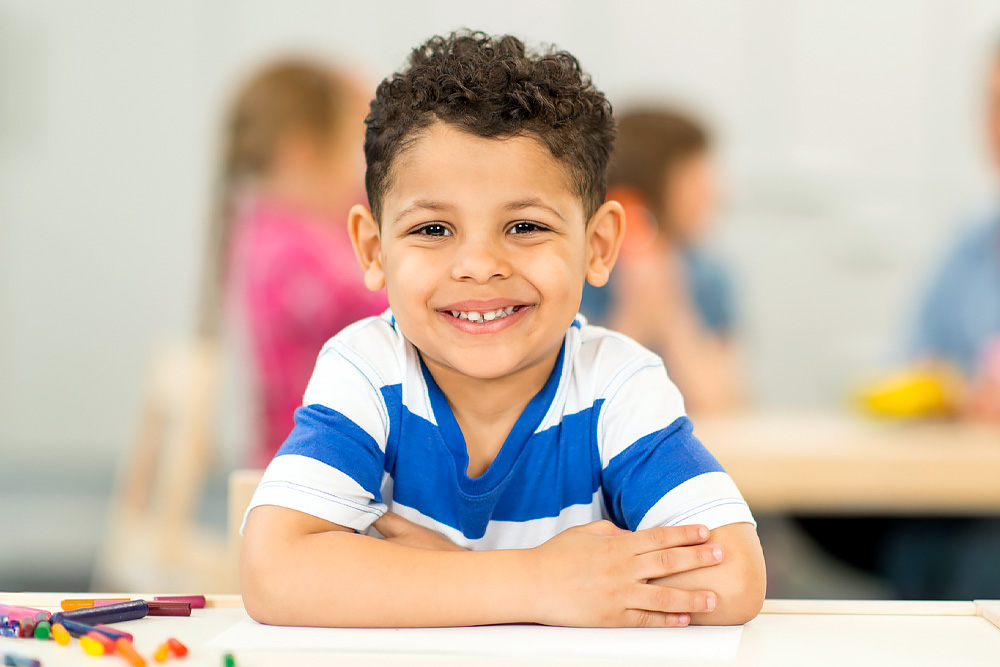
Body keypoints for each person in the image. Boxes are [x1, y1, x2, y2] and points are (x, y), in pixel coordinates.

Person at [241, 31, 765, 628]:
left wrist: (430, 579)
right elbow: (273, 571)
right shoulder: (366, 372)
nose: (481, 264)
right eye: (434, 230)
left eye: (525, 226)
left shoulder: (615, 385)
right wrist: (540, 582)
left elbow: (732, 578)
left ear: (597, 246)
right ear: (373, 249)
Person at [204, 59, 388, 466]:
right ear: (302, 154)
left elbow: (374, 209)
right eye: (351, 154)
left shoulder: (268, 224)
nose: (359, 176)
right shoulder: (294, 256)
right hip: (313, 475)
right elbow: (401, 306)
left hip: (311, 456)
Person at [580, 110, 741, 413]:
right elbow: (580, 405)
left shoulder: (709, 275)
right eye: (694, 177)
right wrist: (634, 313)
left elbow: (721, 406)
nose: (712, 194)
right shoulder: (579, 274)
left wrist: (670, 310)